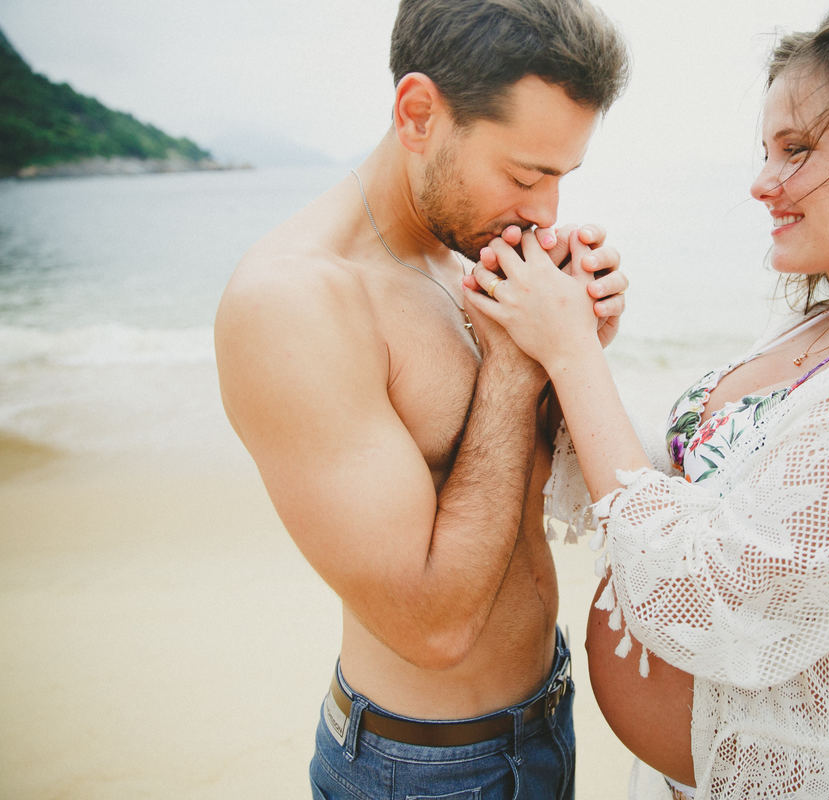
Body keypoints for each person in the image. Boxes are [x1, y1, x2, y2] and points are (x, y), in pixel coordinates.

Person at [464, 4, 829, 798]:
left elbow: (712, 592)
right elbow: (688, 497)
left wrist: (573, 355)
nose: (762, 183)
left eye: (798, 151)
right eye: (764, 152)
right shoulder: (812, 326)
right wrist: (565, 333)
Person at [214, 1, 629, 798]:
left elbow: (510, 478)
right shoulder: (295, 303)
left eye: (560, 178)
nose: (544, 211)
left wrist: (574, 344)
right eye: (523, 174)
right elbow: (431, 625)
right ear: (417, 114)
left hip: (543, 720)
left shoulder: (462, 247)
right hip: (426, 771)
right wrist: (514, 365)